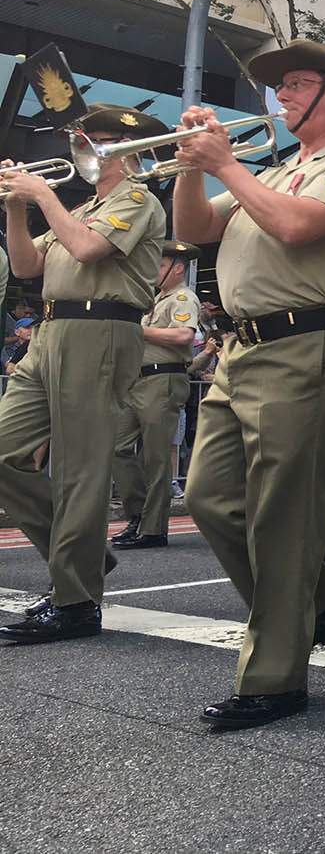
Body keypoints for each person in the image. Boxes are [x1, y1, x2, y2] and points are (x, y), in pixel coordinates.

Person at [174, 39, 325, 728]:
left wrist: (228, 164)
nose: (281, 97)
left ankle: (275, 677)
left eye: (297, 84)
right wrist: (190, 165)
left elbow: (300, 227)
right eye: (282, 86)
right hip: (242, 349)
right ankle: (314, 596)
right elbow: (193, 227)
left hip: (304, 344)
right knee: (210, 497)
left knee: (280, 514)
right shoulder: (277, 166)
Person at [0, 105, 166, 643]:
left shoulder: (138, 199)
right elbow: (27, 267)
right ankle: (87, 555)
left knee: (78, 469)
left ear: (127, 147)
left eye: (99, 140)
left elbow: (89, 249)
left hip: (102, 330)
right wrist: (15, 209)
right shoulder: (85, 205)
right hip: (51, 332)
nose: (86, 148)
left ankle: (75, 602)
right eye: (85, 139)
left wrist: (43, 196)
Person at [112, 240, 203, 551]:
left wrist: (135, 330)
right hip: (138, 380)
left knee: (155, 456)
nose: (153, 269)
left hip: (162, 377)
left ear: (177, 268)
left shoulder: (183, 298)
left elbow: (182, 336)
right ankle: (138, 515)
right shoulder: (155, 299)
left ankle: (153, 529)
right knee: (118, 448)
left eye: (160, 265)